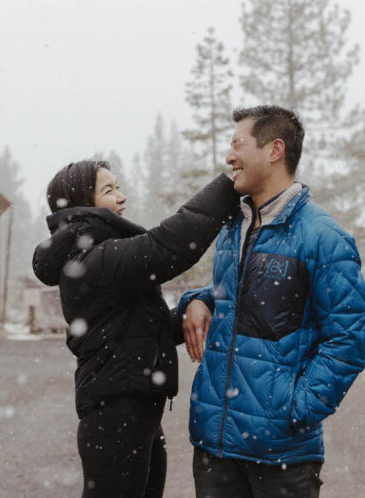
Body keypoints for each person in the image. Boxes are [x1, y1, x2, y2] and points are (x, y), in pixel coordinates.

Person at [178, 105, 365, 497]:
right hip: (215, 449)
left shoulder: (323, 237)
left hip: (281, 456)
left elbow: (348, 339)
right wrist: (199, 300)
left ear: (274, 150)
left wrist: (293, 410)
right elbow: (239, 297)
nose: (229, 157)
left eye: (238, 144)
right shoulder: (234, 226)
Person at [32, 159, 240, 498]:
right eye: (109, 190)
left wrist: (194, 306)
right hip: (117, 420)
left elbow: (143, 329)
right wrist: (229, 188)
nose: (122, 197)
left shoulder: (98, 254)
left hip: (133, 415)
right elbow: (167, 248)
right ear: (83, 202)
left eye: (118, 187)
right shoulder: (95, 258)